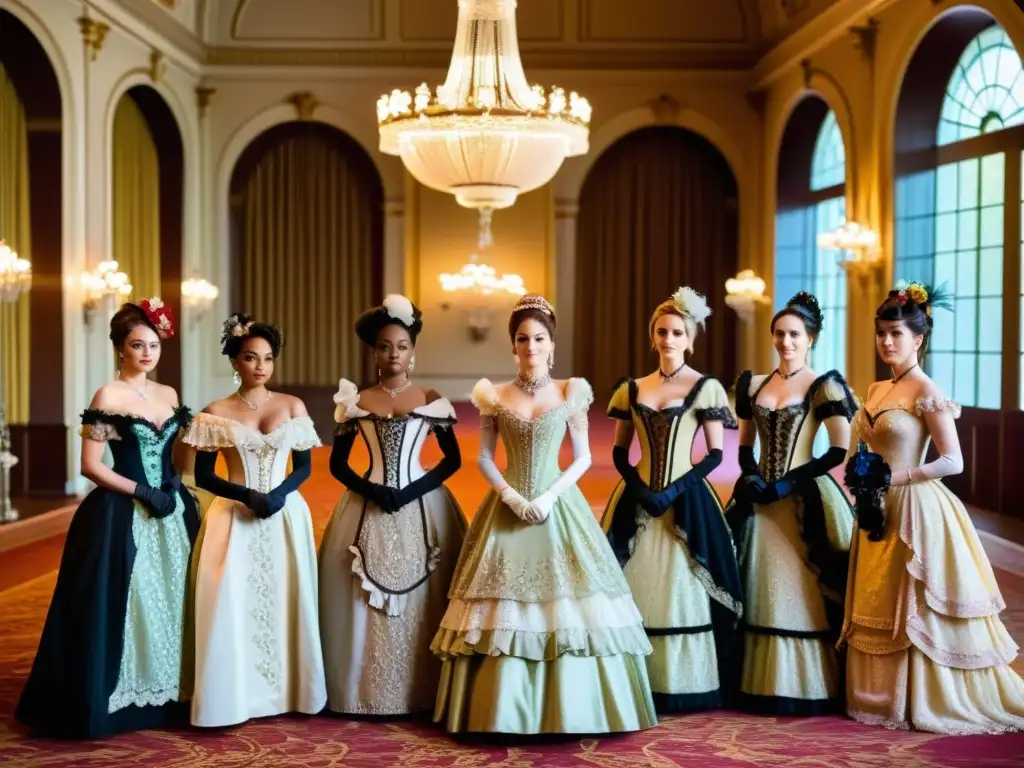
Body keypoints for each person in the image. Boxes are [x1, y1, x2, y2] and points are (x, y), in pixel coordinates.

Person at [432, 294, 657, 734]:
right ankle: (496, 709)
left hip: (558, 504)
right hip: (507, 504)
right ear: (511, 345)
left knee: (573, 602)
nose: (531, 346)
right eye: (522, 338)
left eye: (539, 338)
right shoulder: (493, 395)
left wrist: (550, 497)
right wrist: (512, 497)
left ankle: (575, 709)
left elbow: (582, 459)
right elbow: (483, 458)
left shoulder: (571, 392)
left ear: (552, 344)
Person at [840, 281, 1024, 733]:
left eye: (896, 334)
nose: (886, 341)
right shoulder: (876, 387)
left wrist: (894, 479)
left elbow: (952, 461)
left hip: (916, 507)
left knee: (915, 606)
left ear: (918, 339)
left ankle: (918, 698)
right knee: (877, 595)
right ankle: (877, 694)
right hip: (874, 506)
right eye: (881, 332)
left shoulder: (927, 390)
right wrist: (862, 481)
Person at [17, 299, 198, 738]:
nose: (147, 353)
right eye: (138, 345)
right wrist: (141, 491)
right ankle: (117, 698)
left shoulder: (168, 394)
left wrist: (173, 487)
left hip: (171, 511)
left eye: (153, 345)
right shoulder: (107, 396)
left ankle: (174, 692)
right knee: (123, 601)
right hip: (121, 511)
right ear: (121, 348)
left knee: (177, 600)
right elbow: (91, 465)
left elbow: (176, 455)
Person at [319, 294, 466, 716]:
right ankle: (365, 693)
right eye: (385, 346)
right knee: (359, 594)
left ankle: (425, 688)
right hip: (368, 503)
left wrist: (413, 489)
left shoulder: (430, 397)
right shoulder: (357, 401)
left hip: (424, 503)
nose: (393, 353)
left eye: (401, 346)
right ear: (373, 351)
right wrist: (374, 490)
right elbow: (337, 464)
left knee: (430, 590)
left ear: (413, 351)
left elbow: (452, 460)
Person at [603, 286, 742, 712]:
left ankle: (686, 683)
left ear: (690, 338)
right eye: (661, 332)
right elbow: (619, 453)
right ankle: (633, 682)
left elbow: (716, 454)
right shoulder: (632, 387)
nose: (668, 340)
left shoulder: (706, 387)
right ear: (653, 336)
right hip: (638, 497)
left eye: (677, 333)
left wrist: (676, 489)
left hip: (688, 498)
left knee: (685, 586)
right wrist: (642, 489)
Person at [184, 313, 326, 727]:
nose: (260, 366)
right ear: (234, 362)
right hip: (232, 516)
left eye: (267, 358)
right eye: (250, 357)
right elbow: (207, 475)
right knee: (232, 601)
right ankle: (232, 697)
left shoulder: (292, 405)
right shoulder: (215, 412)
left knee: (287, 598)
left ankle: (292, 691)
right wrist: (246, 495)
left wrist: (277, 495)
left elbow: (303, 468)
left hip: (285, 515)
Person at [729, 291, 856, 715]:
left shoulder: (824, 385)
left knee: (803, 585)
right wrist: (752, 477)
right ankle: (753, 681)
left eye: (795, 335)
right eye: (780, 334)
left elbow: (838, 451)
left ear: (811, 338)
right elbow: (745, 446)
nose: (786, 342)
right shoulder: (753, 384)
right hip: (759, 500)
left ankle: (805, 684)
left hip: (804, 496)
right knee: (757, 581)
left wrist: (787, 485)